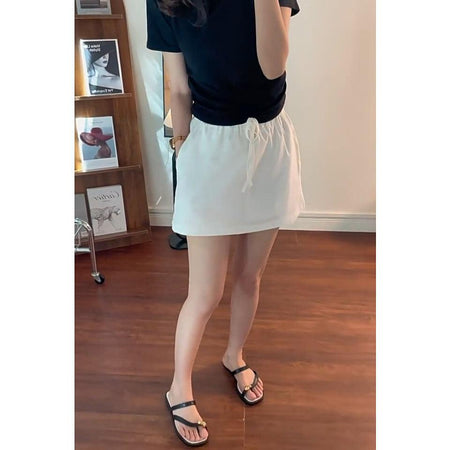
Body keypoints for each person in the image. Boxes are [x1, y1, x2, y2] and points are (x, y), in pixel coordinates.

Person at [146, 0, 306, 446]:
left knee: (250, 277)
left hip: (268, 144)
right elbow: (179, 89)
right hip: (210, 147)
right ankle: (179, 386)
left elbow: (273, 67)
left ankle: (234, 354)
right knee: (204, 293)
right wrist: (183, 153)